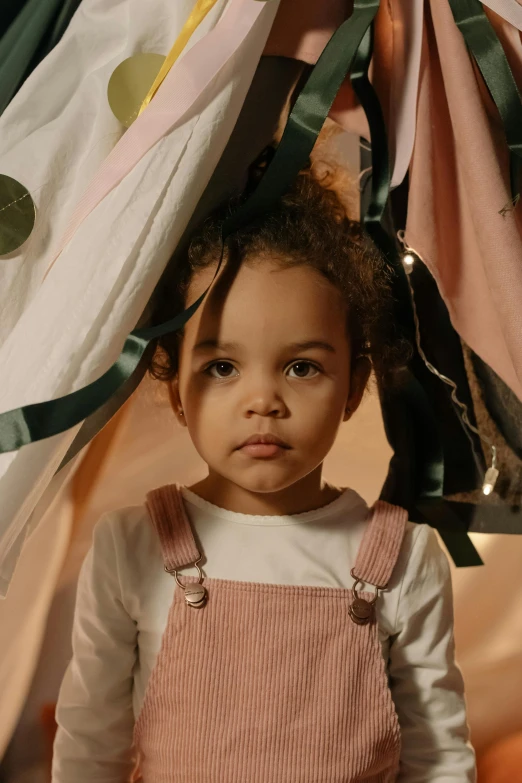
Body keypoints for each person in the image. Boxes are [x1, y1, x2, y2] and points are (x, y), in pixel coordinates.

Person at [52, 161, 477, 782]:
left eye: (301, 367)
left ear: (354, 387)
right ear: (175, 387)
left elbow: (438, 758)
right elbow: (90, 746)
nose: (263, 401)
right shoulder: (132, 547)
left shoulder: (405, 561)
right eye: (223, 367)